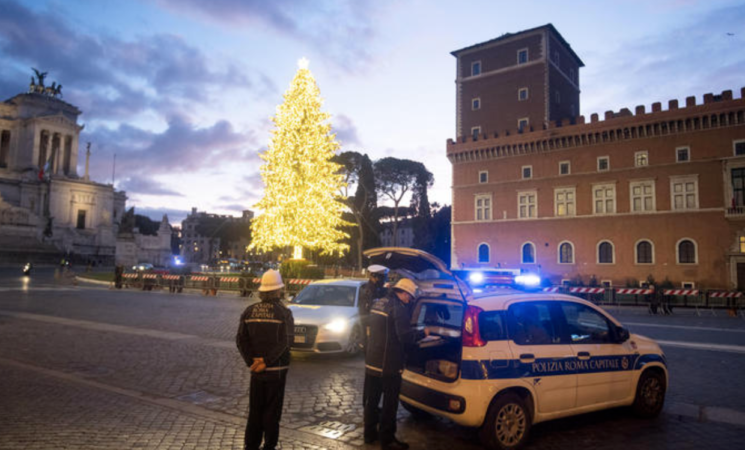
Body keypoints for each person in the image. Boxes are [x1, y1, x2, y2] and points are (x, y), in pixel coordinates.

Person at [364, 278, 426, 450]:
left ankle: (369, 434)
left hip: (372, 361)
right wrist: (423, 333)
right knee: (390, 404)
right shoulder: (398, 308)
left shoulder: (379, 303)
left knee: (372, 400)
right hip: (389, 364)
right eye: (410, 297)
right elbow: (406, 337)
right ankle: (388, 439)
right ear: (404, 293)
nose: (410, 300)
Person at [236, 269, 294, 450]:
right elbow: (287, 341)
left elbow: (240, 340)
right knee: (272, 410)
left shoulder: (249, 311)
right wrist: (267, 361)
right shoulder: (284, 313)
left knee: (255, 409)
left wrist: (253, 362)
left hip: (256, 370)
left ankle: (250, 444)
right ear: (278, 290)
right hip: (276, 370)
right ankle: (269, 445)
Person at [359, 264, 389, 351]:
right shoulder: (367, 291)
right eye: (381, 278)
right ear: (374, 276)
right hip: (370, 333)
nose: (383, 281)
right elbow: (365, 315)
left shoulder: (377, 289)